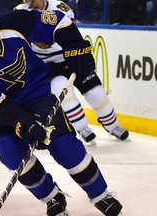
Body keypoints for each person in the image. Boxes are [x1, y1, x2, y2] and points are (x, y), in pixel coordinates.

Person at [0, 0, 123, 215]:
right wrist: (24, 124)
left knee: (64, 146)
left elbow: (58, 20)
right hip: (2, 113)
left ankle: (101, 195)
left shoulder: (15, 23)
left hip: (36, 96)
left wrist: (75, 46)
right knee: (10, 152)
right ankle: (52, 198)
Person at [15, 0, 129, 142]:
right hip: (46, 65)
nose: (31, 4)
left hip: (70, 58)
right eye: (27, 0)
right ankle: (82, 128)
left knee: (96, 93)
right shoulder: (19, 12)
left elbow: (70, 32)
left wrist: (79, 52)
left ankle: (113, 126)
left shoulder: (59, 7)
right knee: (63, 91)